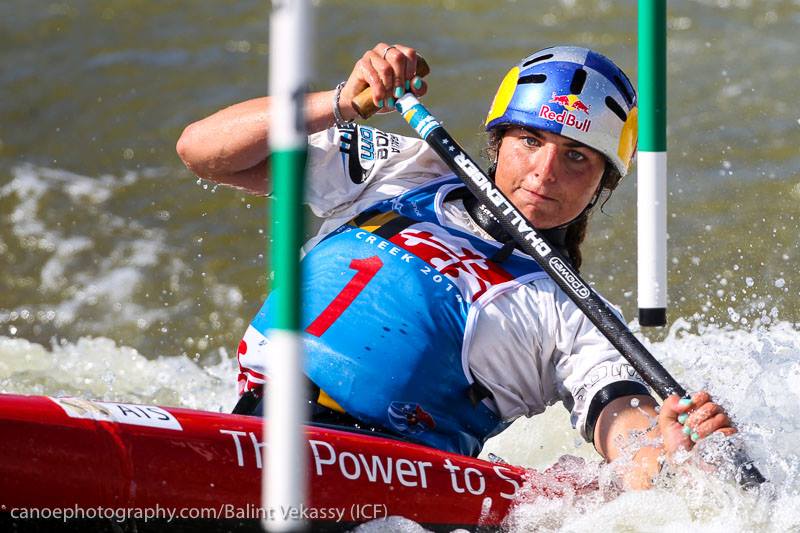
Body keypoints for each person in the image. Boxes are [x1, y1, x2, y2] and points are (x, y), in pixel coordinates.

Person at [176, 43, 736, 489]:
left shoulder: (574, 315)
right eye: (529, 140)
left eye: (575, 156)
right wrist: (343, 101)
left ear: (601, 185)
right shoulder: (402, 171)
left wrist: (664, 451)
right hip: (251, 424)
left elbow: (624, 428)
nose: (544, 171)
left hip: (379, 478)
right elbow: (201, 150)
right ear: (497, 143)